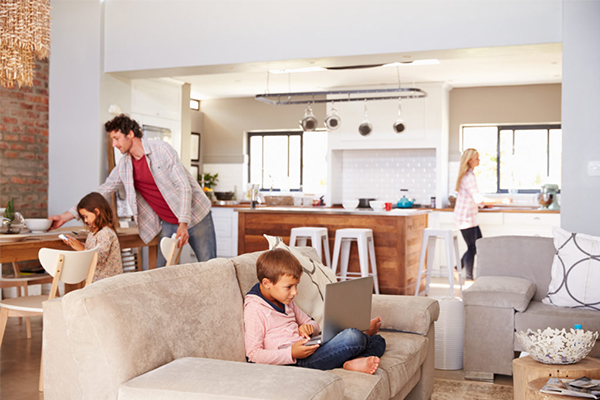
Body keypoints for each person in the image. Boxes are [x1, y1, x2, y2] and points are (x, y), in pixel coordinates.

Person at [50, 114, 216, 267]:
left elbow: (184, 187)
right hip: (168, 221)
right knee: (162, 272)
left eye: (116, 138)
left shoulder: (162, 150)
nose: (114, 144)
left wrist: (183, 223)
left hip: (196, 216)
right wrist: (64, 217)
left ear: (130, 134)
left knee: (211, 266)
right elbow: (102, 192)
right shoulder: (124, 166)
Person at [243, 248, 385, 374]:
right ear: (267, 283)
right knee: (353, 336)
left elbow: (312, 323)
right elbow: (253, 355)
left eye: (296, 286)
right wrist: (291, 353)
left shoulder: (285, 300)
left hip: (309, 347)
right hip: (296, 361)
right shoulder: (255, 309)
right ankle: (361, 342)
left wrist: (309, 328)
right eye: (289, 287)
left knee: (379, 341)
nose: (295, 292)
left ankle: (354, 360)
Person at [454, 148, 510, 281]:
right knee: (473, 247)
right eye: (477, 158)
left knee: (478, 246)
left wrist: (484, 205)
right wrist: (501, 200)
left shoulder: (469, 175)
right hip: (465, 218)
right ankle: (468, 278)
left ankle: (457, 269)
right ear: (470, 161)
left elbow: (474, 198)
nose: (479, 160)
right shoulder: (469, 177)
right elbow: (478, 198)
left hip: (470, 217)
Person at [60, 192, 123, 282]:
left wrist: (82, 249)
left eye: (86, 216)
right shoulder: (93, 232)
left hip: (107, 283)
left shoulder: (105, 233)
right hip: (96, 281)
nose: (85, 220)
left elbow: (98, 258)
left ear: (97, 212)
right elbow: (92, 249)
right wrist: (77, 244)